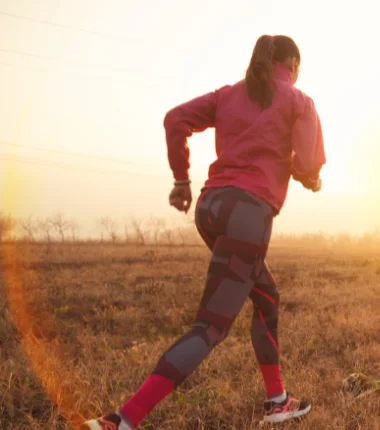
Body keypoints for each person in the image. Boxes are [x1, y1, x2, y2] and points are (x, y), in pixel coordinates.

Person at [82, 34, 325, 430]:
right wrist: (310, 177)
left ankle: (277, 401)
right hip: (248, 214)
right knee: (210, 326)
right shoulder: (298, 101)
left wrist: (182, 179)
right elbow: (308, 163)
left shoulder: (228, 95)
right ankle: (122, 420)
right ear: (293, 65)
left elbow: (174, 119)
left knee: (266, 298)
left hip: (210, 207)